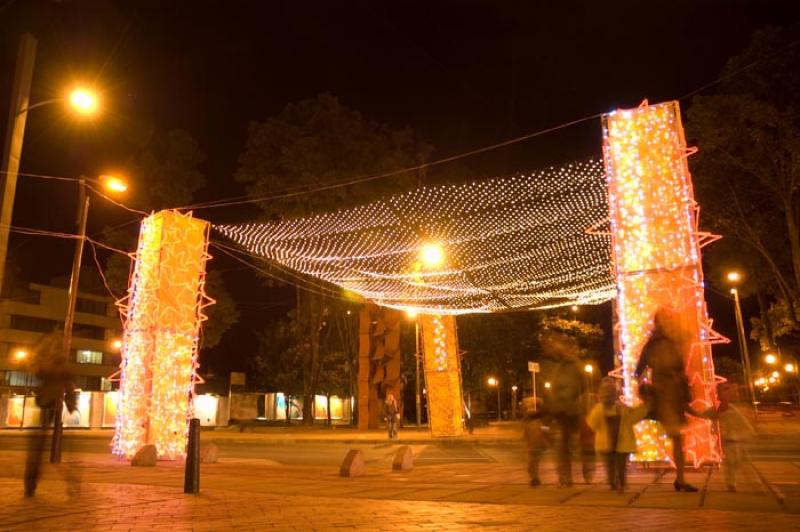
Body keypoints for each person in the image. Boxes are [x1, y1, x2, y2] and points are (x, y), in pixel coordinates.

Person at [635, 310, 706, 492]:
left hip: (676, 394)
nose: (667, 324)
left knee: (678, 438)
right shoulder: (654, 344)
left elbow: (680, 364)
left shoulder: (673, 342)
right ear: (658, 323)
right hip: (663, 393)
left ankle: (680, 478)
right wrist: (645, 390)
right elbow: (639, 369)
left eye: (669, 320)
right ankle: (680, 479)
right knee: (676, 435)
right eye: (664, 320)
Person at [24, 329, 79, 497]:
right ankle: (32, 483)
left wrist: (70, 402)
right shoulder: (57, 365)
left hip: (50, 404)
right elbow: (69, 385)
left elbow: (68, 385)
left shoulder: (55, 365)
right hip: (49, 404)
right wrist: (70, 403)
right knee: (42, 447)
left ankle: (31, 484)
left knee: (40, 447)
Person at [541, 330, 591, 487]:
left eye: (557, 346)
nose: (554, 349)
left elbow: (584, 387)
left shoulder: (574, 365)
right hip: (561, 412)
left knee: (579, 444)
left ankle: (586, 469)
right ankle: (565, 477)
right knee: (563, 446)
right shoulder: (555, 366)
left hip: (574, 411)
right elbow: (551, 390)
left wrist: (583, 407)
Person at [587, 377, 648, 492]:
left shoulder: (620, 408)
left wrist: (644, 408)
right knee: (610, 465)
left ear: (614, 395)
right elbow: (592, 423)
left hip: (620, 442)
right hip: (607, 443)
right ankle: (613, 483)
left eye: (610, 395)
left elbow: (632, 417)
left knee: (620, 465)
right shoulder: (599, 410)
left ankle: (620, 482)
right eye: (605, 395)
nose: (608, 398)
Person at [708, 383, 756, 492]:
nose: (726, 394)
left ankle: (733, 482)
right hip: (727, 440)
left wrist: (750, 433)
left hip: (737, 440)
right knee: (731, 462)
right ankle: (731, 483)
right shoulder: (717, 409)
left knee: (737, 462)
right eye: (723, 392)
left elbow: (743, 422)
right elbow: (706, 415)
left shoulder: (732, 409)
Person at [521, 397, 551, 487]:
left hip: (536, 444)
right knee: (533, 463)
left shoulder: (536, 420)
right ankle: (535, 479)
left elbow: (544, 430)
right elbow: (526, 433)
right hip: (534, 444)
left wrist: (545, 435)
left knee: (532, 464)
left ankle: (535, 479)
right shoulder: (530, 420)